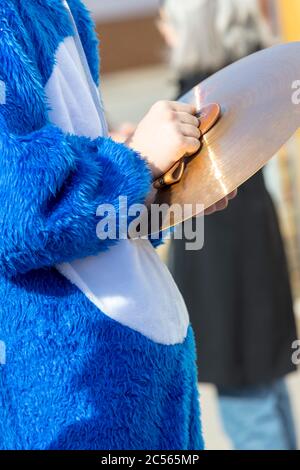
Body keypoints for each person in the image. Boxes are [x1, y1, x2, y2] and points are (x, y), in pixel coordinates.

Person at [0, 0, 235, 450]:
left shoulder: (64, 8)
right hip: (72, 388)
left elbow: (76, 209)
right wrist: (139, 159)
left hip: (137, 366)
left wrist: (168, 193)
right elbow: (16, 215)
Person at [160, 0, 299, 450]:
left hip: (223, 270)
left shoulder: (194, 106)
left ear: (187, 28)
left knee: (249, 408)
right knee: (267, 393)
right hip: (255, 252)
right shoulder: (252, 87)